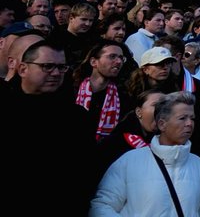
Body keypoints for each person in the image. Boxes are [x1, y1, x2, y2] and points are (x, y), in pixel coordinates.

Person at [0, 39, 98, 213]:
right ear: (23, 69)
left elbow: (86, 171)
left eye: (61, 67)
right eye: (47, 66)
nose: (56, 73)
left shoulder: (76, 117)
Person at [90, 91, 200, 217]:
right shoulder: (129, 161)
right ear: (162, 124)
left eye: (192, 118)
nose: (189, 123)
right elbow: (102, 206)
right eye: (182, 118)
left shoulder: (199, 165)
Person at [98, 88, 168, 174]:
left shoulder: (172, 142)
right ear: (139, 112)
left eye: (166, 106)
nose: (162, 110)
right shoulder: (112, 144)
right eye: (156, 105)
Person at [74, 40, 128, 141]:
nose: (119, 61)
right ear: (94, 62)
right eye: (112, 56)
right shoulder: (72, 90)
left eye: (121, 58)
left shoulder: (123, 96)